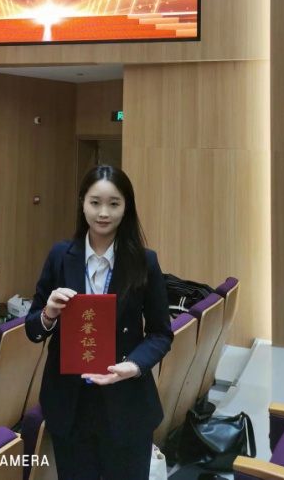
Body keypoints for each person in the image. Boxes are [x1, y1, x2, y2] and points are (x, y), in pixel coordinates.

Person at [25, 165, 173, 480]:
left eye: (113, 204)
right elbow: (32, 328)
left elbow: (161, 333)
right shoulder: (60, 255)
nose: (103, 213)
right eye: (95, 203)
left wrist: (134, 365)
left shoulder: (144, 261)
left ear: (126, 207)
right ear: (82, 204)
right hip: (70, 402)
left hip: (126, 401)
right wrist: (48, 314)